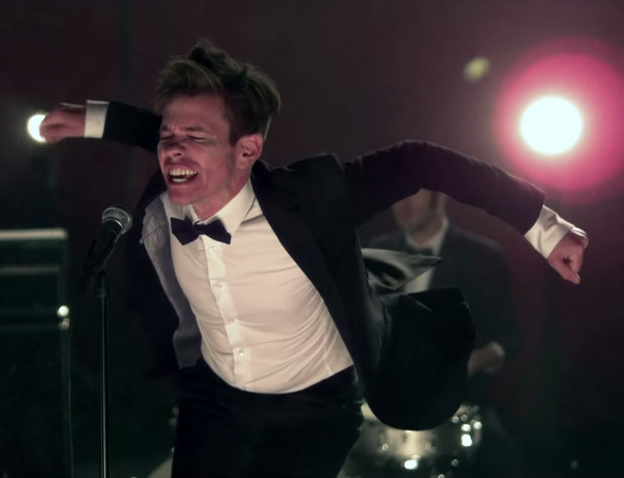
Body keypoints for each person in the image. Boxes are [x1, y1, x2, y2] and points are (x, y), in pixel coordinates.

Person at [38, 40, 588, 477]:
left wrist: (544, 227)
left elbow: (420, 161)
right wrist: (91, 118)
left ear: (247, 151)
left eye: (196, 137)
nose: (174, 149)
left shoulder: (309, 200)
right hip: (216, 400)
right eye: (169, 137)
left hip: (314, 407)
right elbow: (161, 130)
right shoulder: (167, 190)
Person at [369, 190, 526, 476]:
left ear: (439, 197)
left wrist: (472, 362)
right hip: (389, 412)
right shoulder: (378, 251)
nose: (402, 203)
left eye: (412, 193)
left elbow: (511, 336)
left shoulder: (484, 256)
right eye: (396, 192)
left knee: (506, 465)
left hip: (463, 408)